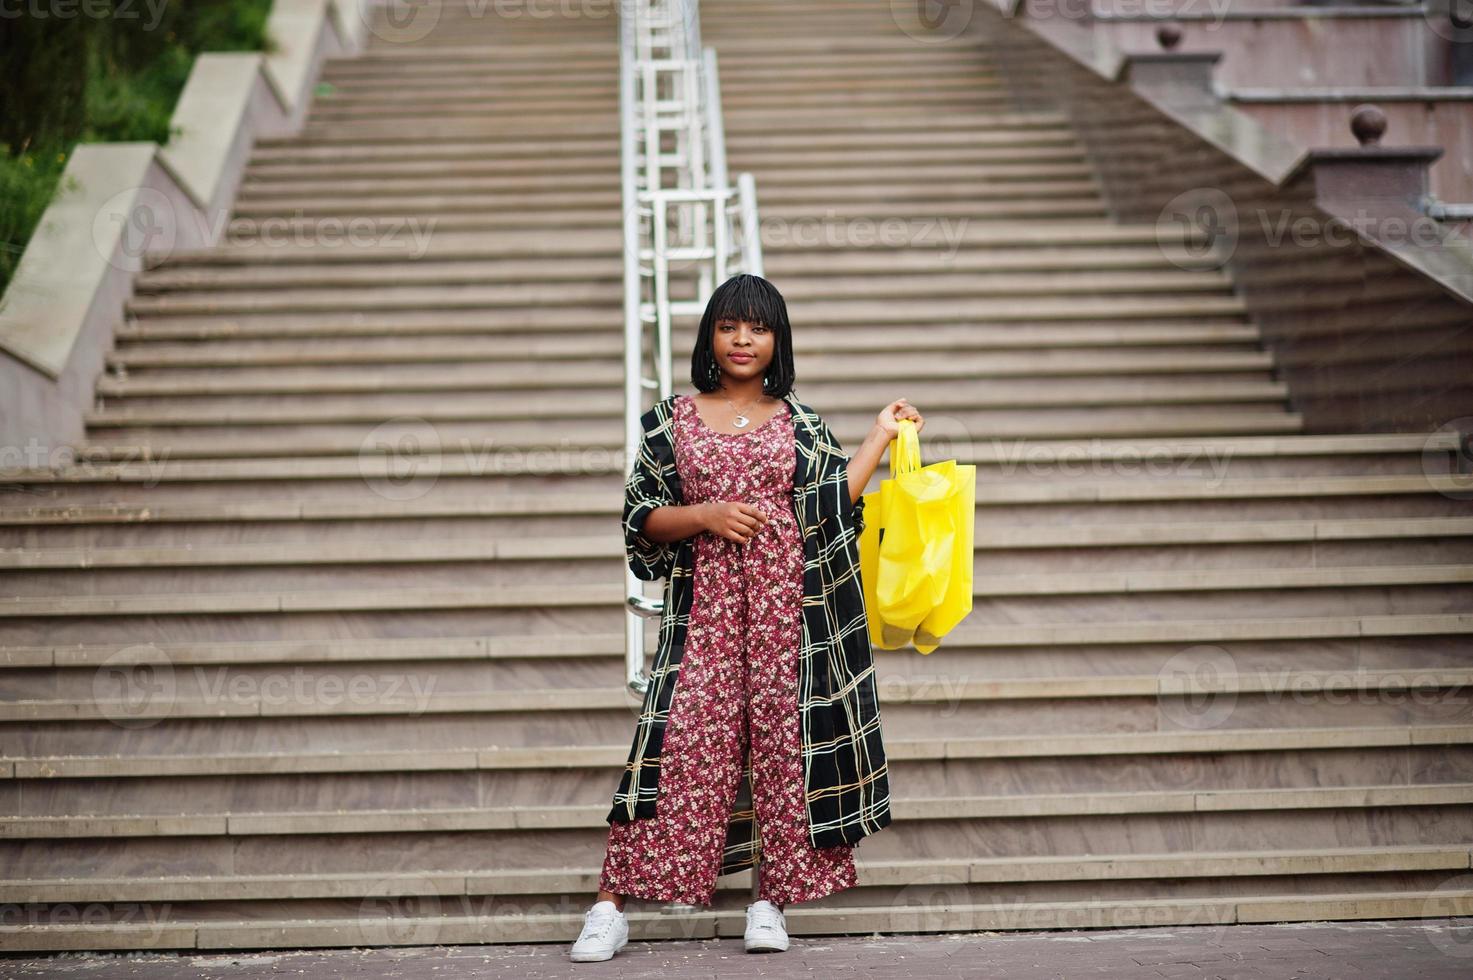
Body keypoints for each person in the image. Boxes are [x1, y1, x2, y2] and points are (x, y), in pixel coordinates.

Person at [570, 274, 924, 962]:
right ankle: (609, 905)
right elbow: (639, 516)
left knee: (785, 757)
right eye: (729, 326)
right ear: (709, 335)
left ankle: (769, 900)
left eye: (757, 329)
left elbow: (828, 508)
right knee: (669, 750)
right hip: (703, 615)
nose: (741, 340)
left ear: (775, 341)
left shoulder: (799, 421)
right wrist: (703, 515)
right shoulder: (669, 419)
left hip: (789, 615)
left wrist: (878, 438)